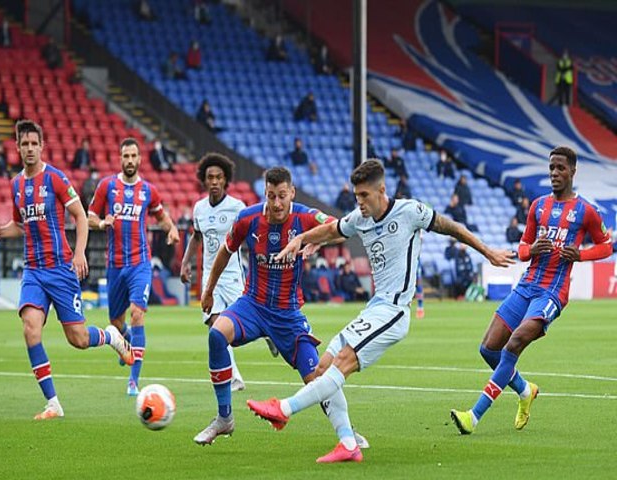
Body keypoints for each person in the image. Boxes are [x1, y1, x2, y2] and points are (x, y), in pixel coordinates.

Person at [247, 159, 514, 462]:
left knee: (342, 363)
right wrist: (300, 239)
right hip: (375, 307)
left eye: (364, 195)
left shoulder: (410, 211)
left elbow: (452, 228)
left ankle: (282, 409)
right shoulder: (360, 218)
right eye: (356, 196)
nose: (358, 202)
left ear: (381, 191)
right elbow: (331, 230)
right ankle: (348, 442)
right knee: (322, 368)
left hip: (395, 311)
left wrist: (489, 252)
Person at [193, 166, 368, 452]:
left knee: (319, 378)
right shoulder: (247, 218)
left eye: (282, 196)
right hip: (252, 305)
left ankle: (347, 433)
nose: (276, 203)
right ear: (265, 193)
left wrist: (316, 238)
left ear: (292, 193)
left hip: (288, 315)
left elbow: (340, 228)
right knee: (216, 334)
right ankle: (224, 417)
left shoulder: (305, 216)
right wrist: (209, 290)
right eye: (271, 196)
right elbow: (225, 251)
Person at [450, 146, 612, 435]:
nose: (554, 173)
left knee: (513, 344)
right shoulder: (538, 206)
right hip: (526, 285)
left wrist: (581, 255)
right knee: (488, 349)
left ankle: (473, 417)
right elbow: (523, 247)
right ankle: (525, 391)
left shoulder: (585, 210)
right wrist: (531, 249)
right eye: (551, 168)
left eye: (561, 168)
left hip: (552, 292)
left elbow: (606, 245)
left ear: (573, 171)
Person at [0, 120, 134, 419]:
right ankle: (53, 402)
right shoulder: (16, 184)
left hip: (60, 269)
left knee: (78, 339)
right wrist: (1, 231)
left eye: (33, 143)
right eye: (24, 144)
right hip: (33, 271)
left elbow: (80, 216)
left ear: (42, 146)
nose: (29, 149)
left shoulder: (55, 178)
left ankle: (111, 337)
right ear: (17, 147)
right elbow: (19, 225)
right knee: (30, 330)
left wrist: (79, 252)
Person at [88, 138, 180, 396]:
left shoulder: (149, 190)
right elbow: (89, 216)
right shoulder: (107, 185)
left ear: (140, 159)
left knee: (137, 314)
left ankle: (133, 380)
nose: (129, 160)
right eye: (125, 156)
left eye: (133, 156)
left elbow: (162, 217)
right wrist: (101, 223)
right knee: (115, 321)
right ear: (120, 158)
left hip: (140, 262)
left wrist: (172, 229)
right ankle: (126, 343)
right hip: (115, 265)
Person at [180, 153, 264, 393]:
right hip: (210, 279)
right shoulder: (199, 208)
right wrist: (186, 263)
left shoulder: (237, 207)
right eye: (210, 177)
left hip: (234, 276)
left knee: (246, 323)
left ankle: (269, 333)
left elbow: (251, 238)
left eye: (219, 177)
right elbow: (196, 237)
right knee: (216, 326)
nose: (214, 181)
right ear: (204, 181)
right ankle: (234, 376)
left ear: (226, 180)